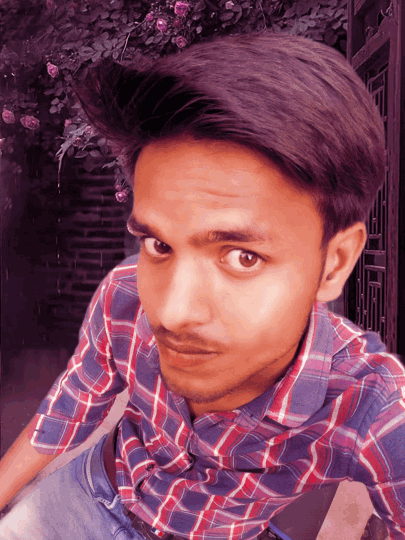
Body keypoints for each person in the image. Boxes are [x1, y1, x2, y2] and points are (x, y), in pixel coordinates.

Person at [0, 30, 403, 540]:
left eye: (242, 257)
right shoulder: (125, 295)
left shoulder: (370, 405)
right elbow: (73, 405)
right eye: (159, 245)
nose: (171, 312)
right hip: (89, 493)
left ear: (335, 264)